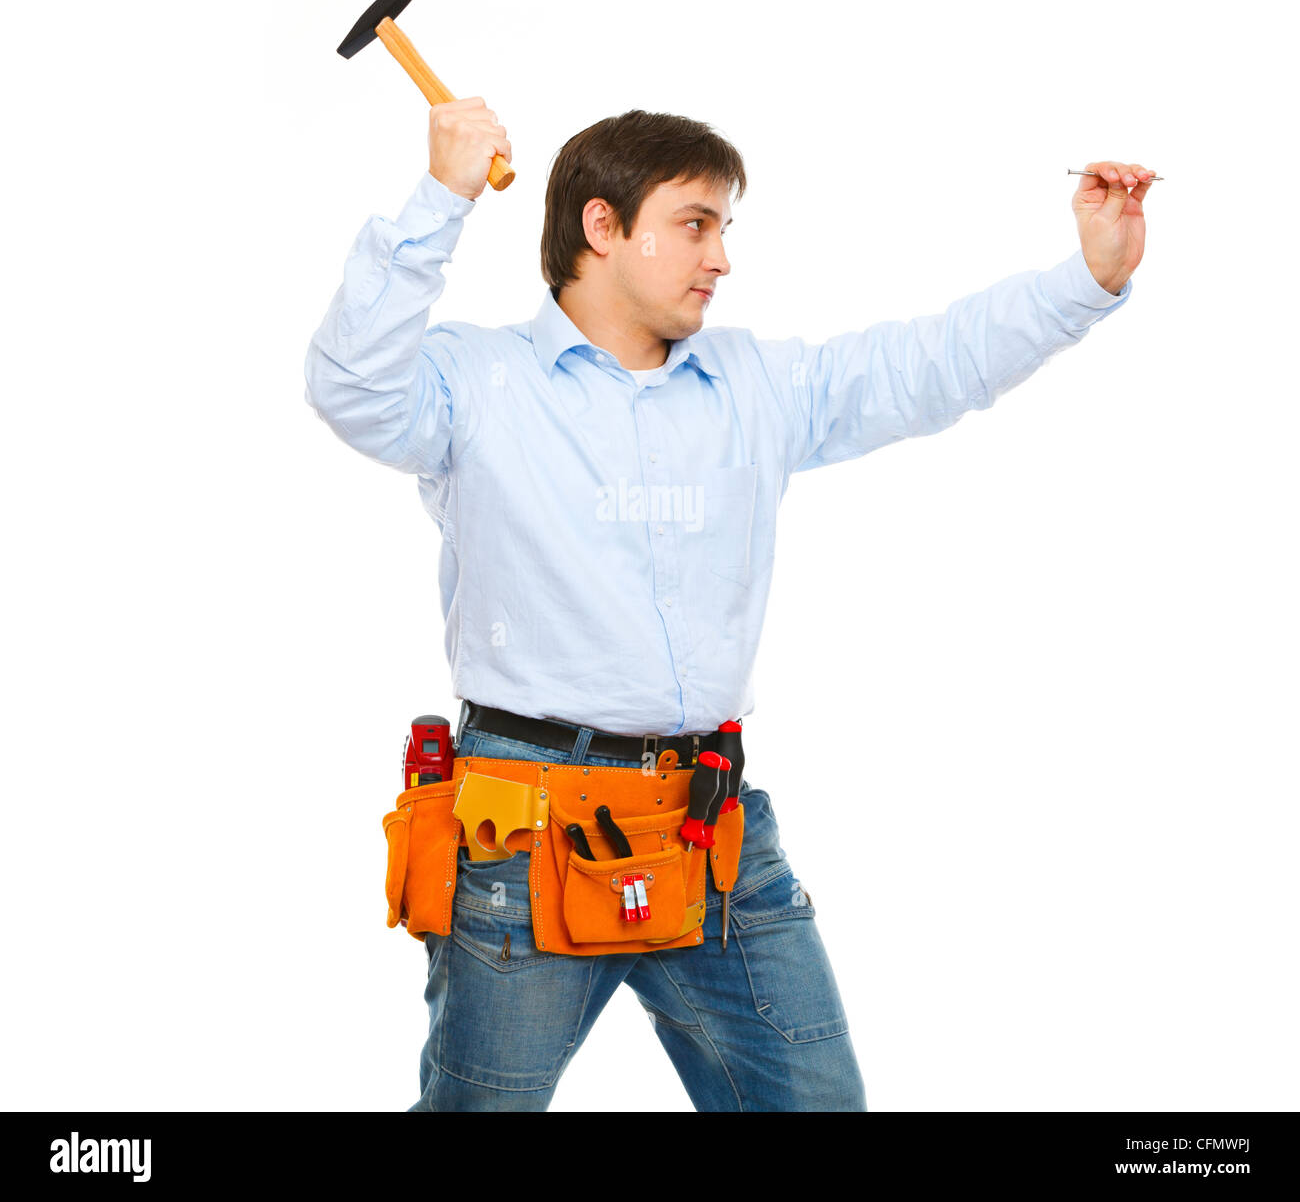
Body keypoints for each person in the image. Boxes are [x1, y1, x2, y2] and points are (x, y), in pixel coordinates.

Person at [304, 99, 1154, 1111]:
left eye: (723, 228)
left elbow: (929, 365)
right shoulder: (474, 383)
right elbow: (350, 384)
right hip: (522, 838)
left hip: (712, 835)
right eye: (696, 223)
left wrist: (1087, 280)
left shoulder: (755, 383)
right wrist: (441, 195)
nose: (720, 257)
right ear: (603, 226)